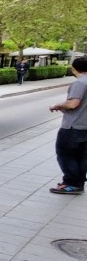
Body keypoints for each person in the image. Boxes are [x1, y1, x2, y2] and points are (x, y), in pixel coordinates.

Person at [48, 56, 87, 194]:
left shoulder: (80, 83)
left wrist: (56, 105)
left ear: (73, 69)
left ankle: (71, 183)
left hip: (73, 126)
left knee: (65, 154)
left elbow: (73, 104)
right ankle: (78, 183)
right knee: (82, 156)